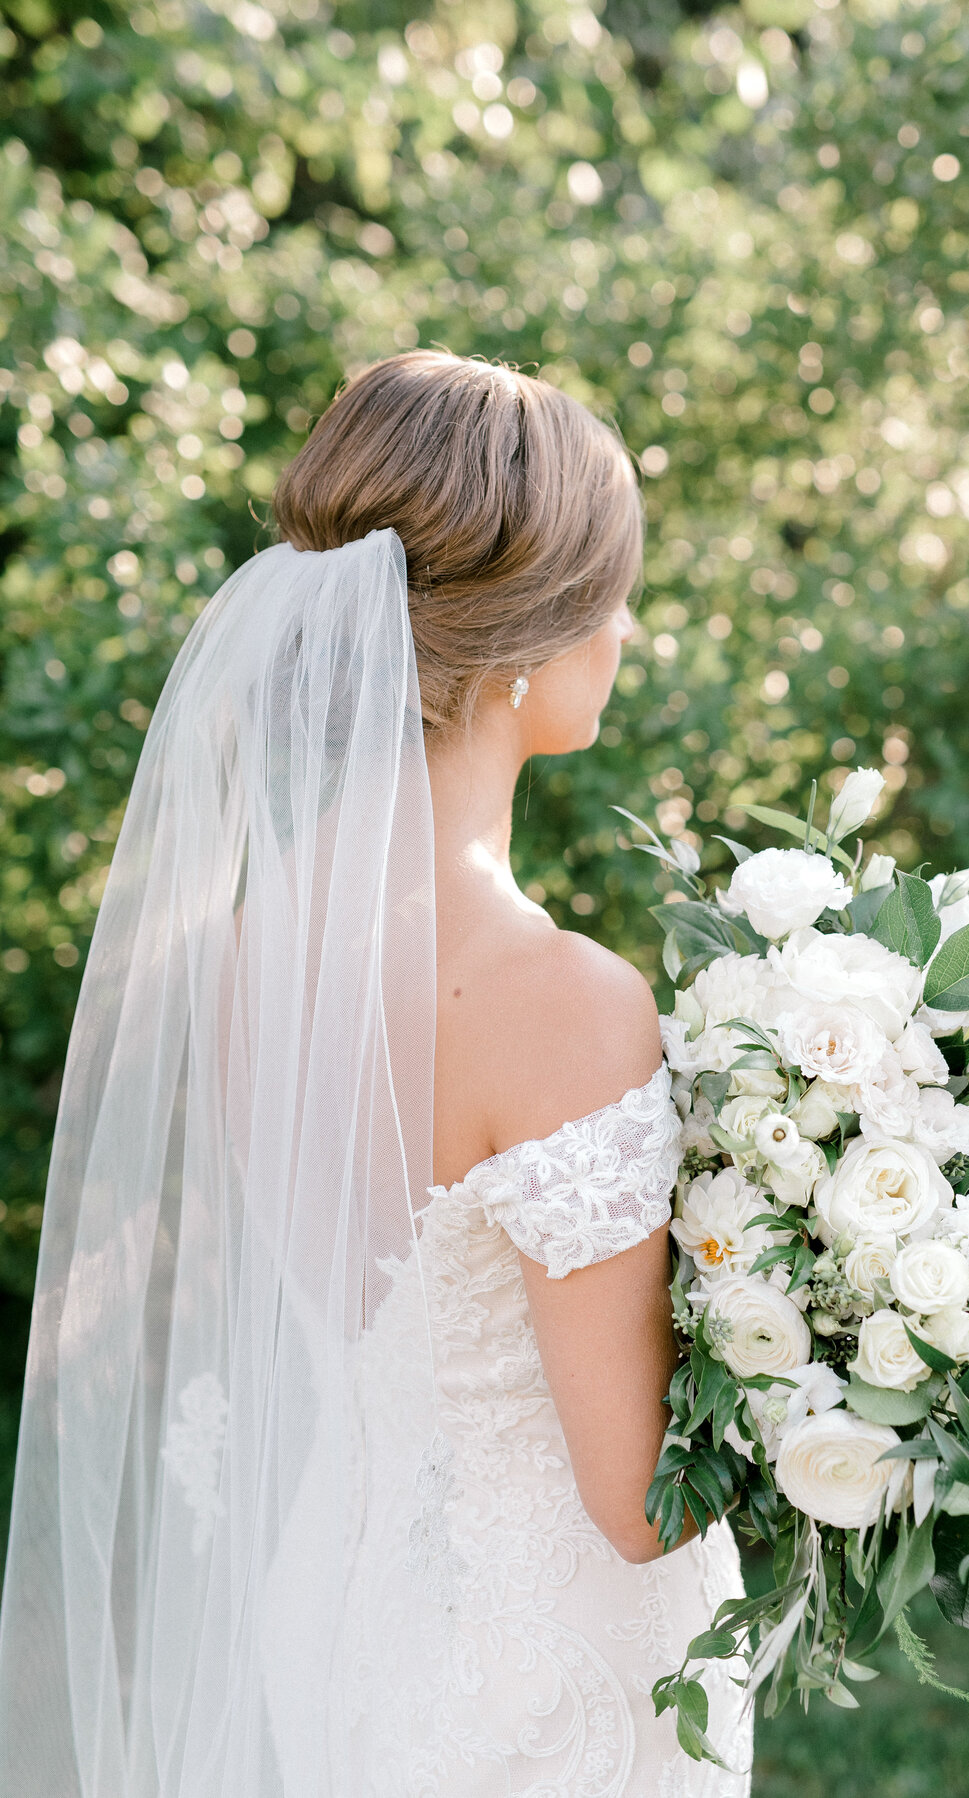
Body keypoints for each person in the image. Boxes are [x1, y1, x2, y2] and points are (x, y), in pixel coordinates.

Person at [0, 351, 751, 1796]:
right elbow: (640, 1505)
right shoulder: (565, 1002)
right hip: (541, 1686)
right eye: (611, 591)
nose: (630, 628)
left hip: (336, 1618)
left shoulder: (241, 959)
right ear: (527, 642)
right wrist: (884, 1401)